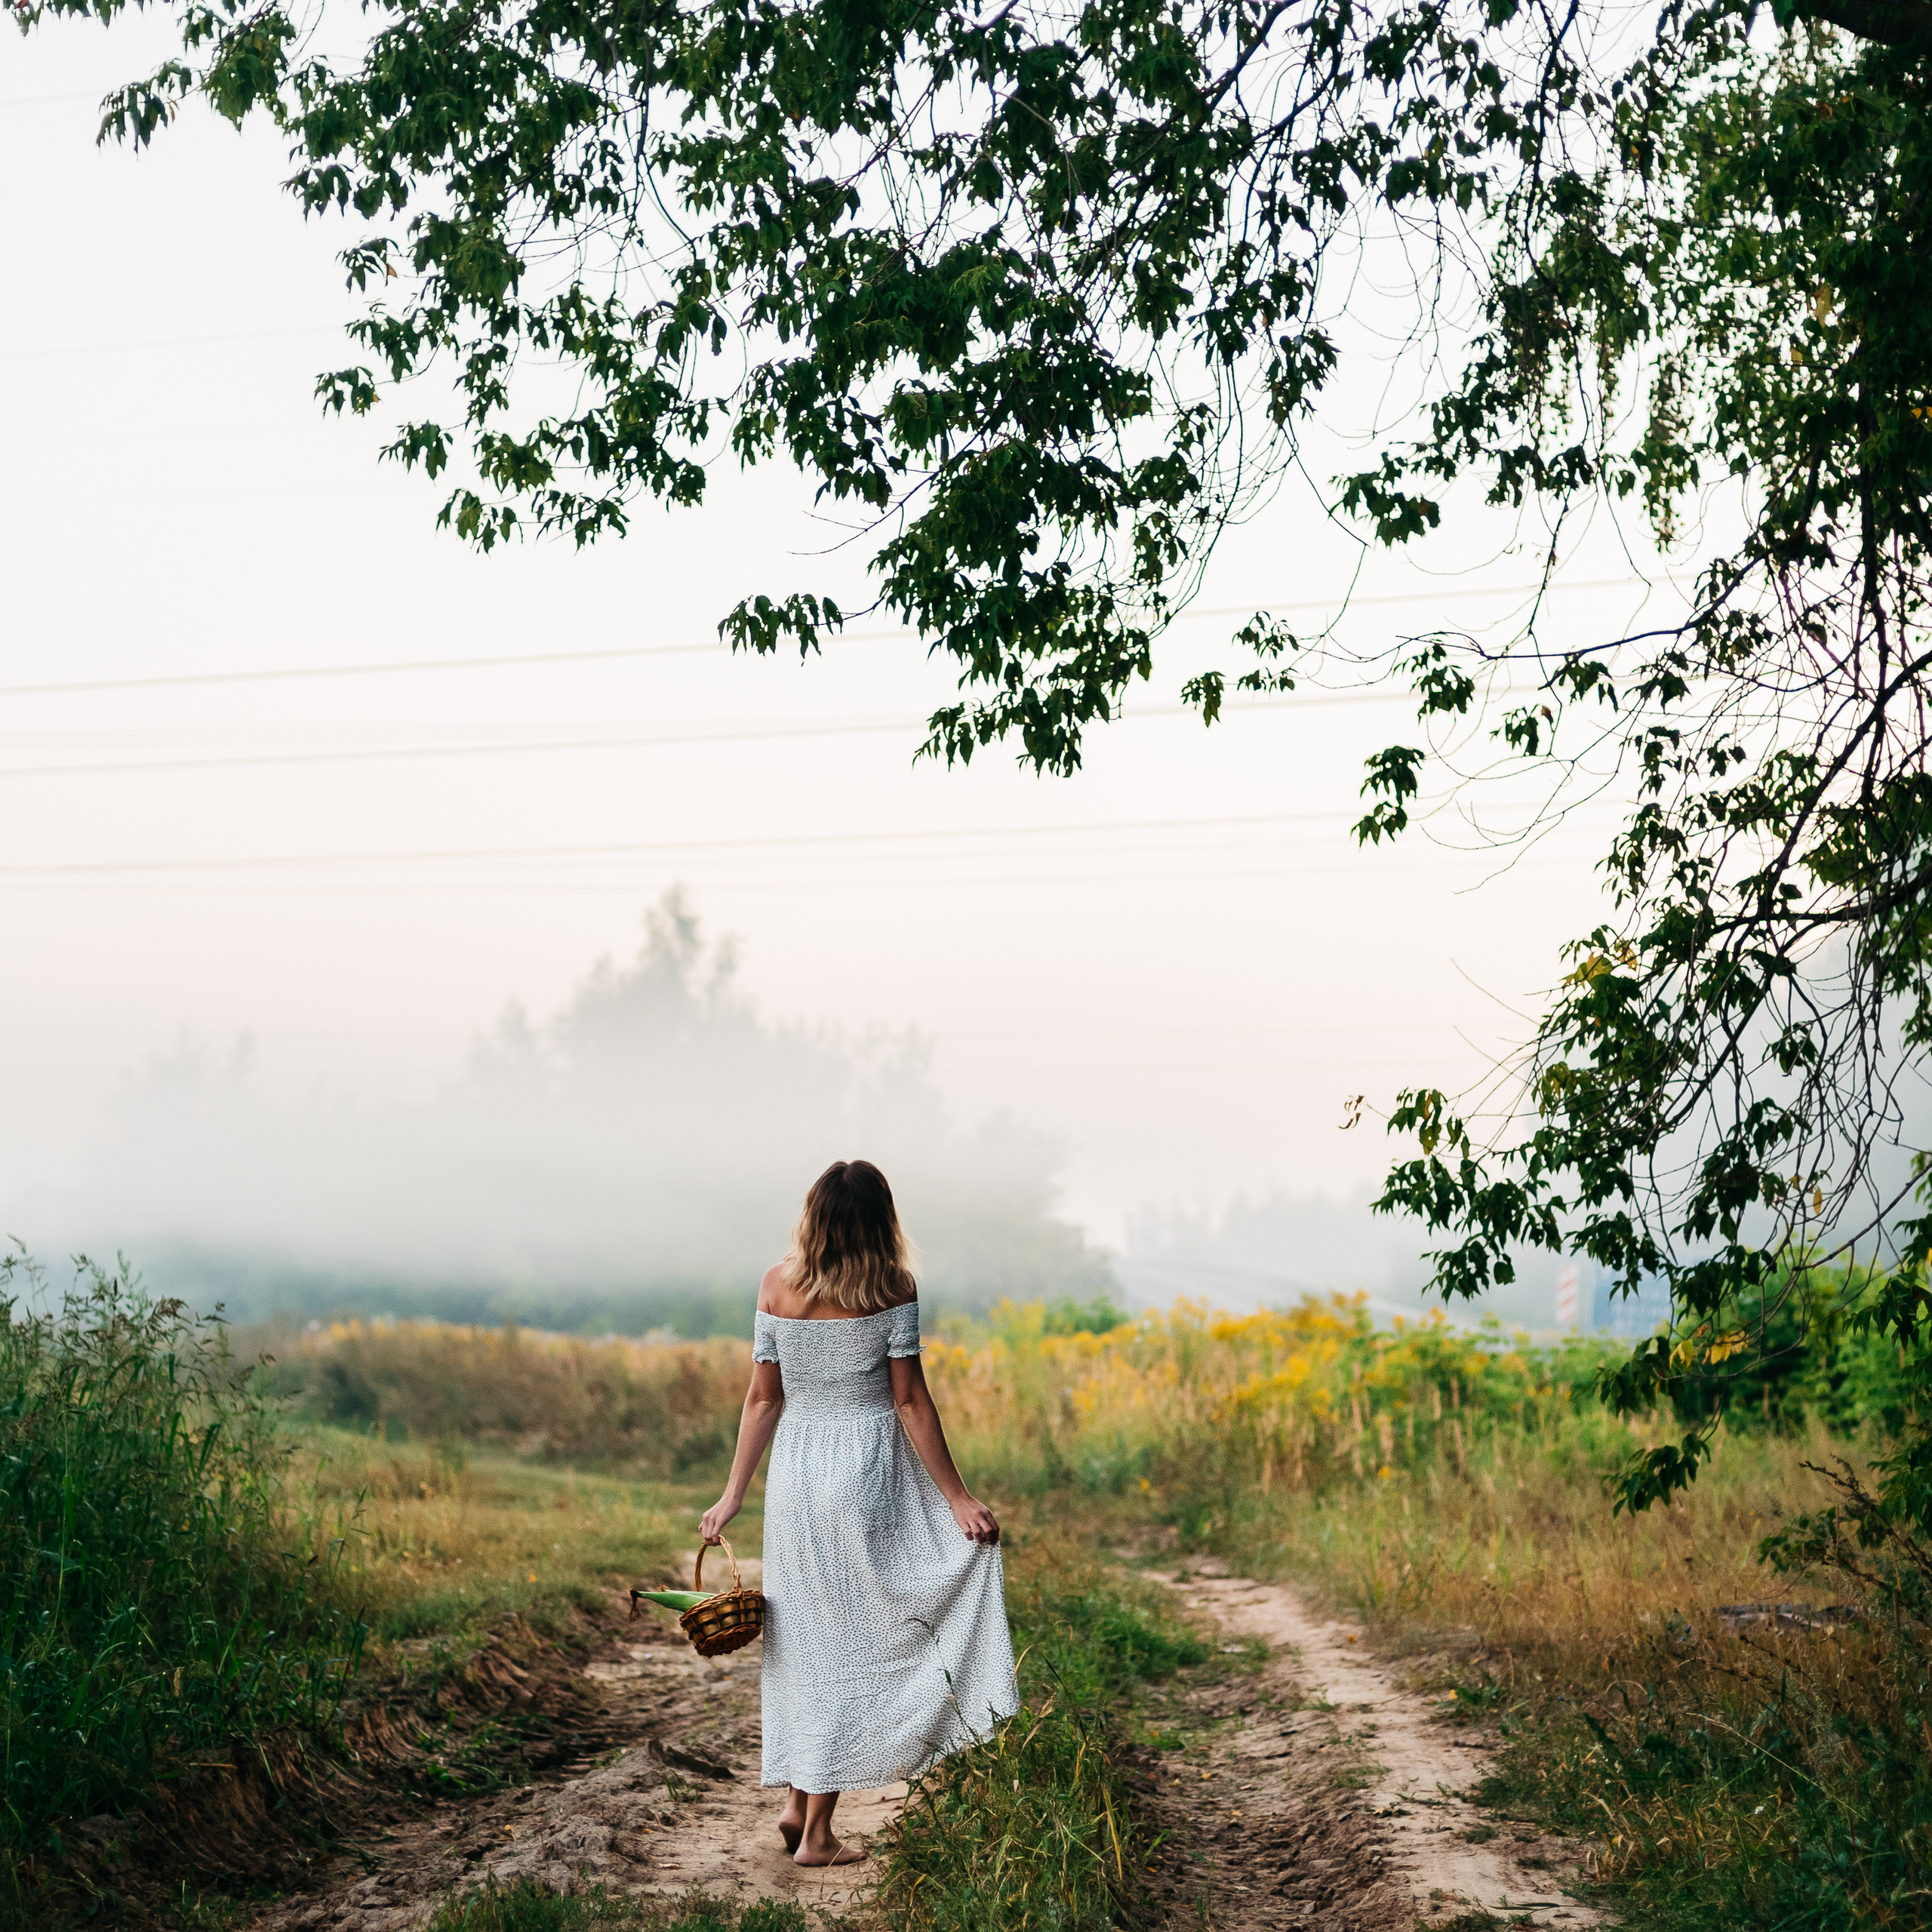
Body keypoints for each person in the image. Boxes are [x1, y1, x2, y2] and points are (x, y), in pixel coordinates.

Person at [698, 1158, 1017, 1867]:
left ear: (813, 1216)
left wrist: (734, 1495)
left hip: (797, 1481)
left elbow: (762, 1400)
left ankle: (794, 1801)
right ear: (881, 1220)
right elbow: (909, 1402)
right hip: (868, 1474)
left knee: (804, 1638)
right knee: (854, 1642)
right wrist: (959, 1499)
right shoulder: (892, 1289)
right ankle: (816, 1834)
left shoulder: (776, 1286)